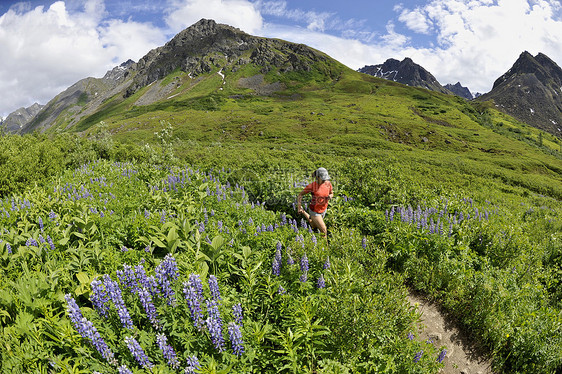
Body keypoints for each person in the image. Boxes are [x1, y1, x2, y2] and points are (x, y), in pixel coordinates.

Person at [297, 167, 333, 239]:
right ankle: (325, 249)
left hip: (323, 209)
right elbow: (300, 195)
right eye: (322, 178)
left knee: (313, 225)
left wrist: (330, 196)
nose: (324, 180)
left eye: (325, 178)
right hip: (315, 211)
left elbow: (332, 193)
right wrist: (298, 207)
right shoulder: (312, 186)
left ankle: (303, 211)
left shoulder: (328, 183)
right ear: (317, 177)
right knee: (323, 230)